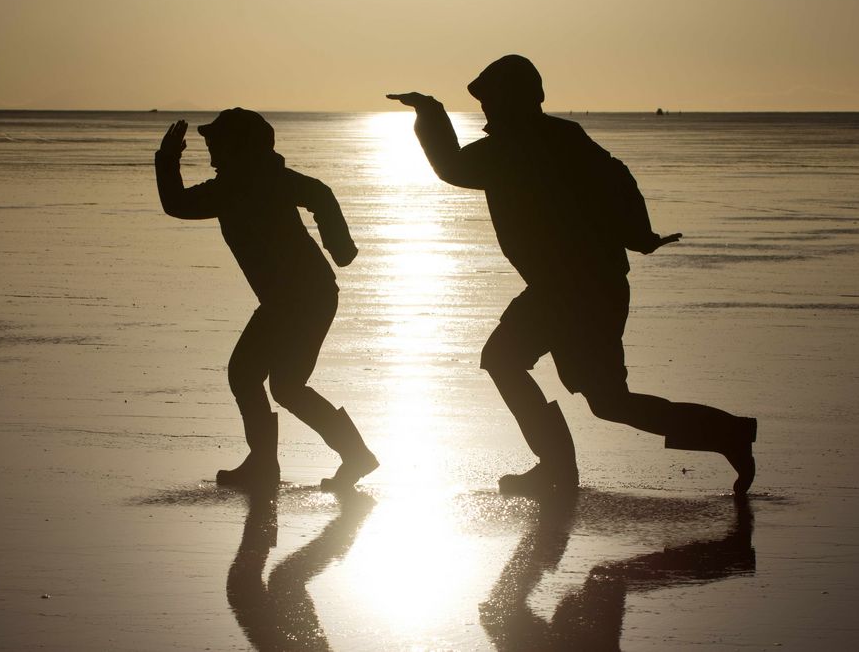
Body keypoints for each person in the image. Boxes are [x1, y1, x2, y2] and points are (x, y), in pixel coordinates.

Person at [388, 55, 756, 496]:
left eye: (490, 99)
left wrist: (431, 114)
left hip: (573, 290)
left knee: (517, 364)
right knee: (605, 400)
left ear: (516, 99)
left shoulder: (515, 146)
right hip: (581, 286)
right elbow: (617, 177)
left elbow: (453, 167)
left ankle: (558, 466)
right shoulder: (560, 135)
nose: (486, 108)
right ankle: (727, 433)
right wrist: (638, 235)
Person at [155, 109, 379, 491]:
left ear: (239, 148)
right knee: (280, 384)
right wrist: (340, 249)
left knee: (254, 376)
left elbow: (320, 195)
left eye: (217, 144)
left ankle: (269, 463)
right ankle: (341, 455)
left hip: (302, 297)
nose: (211, 152)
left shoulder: (244, 185)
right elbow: (319, 194)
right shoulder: (253, 182)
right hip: (300, 296)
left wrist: (341, 247)